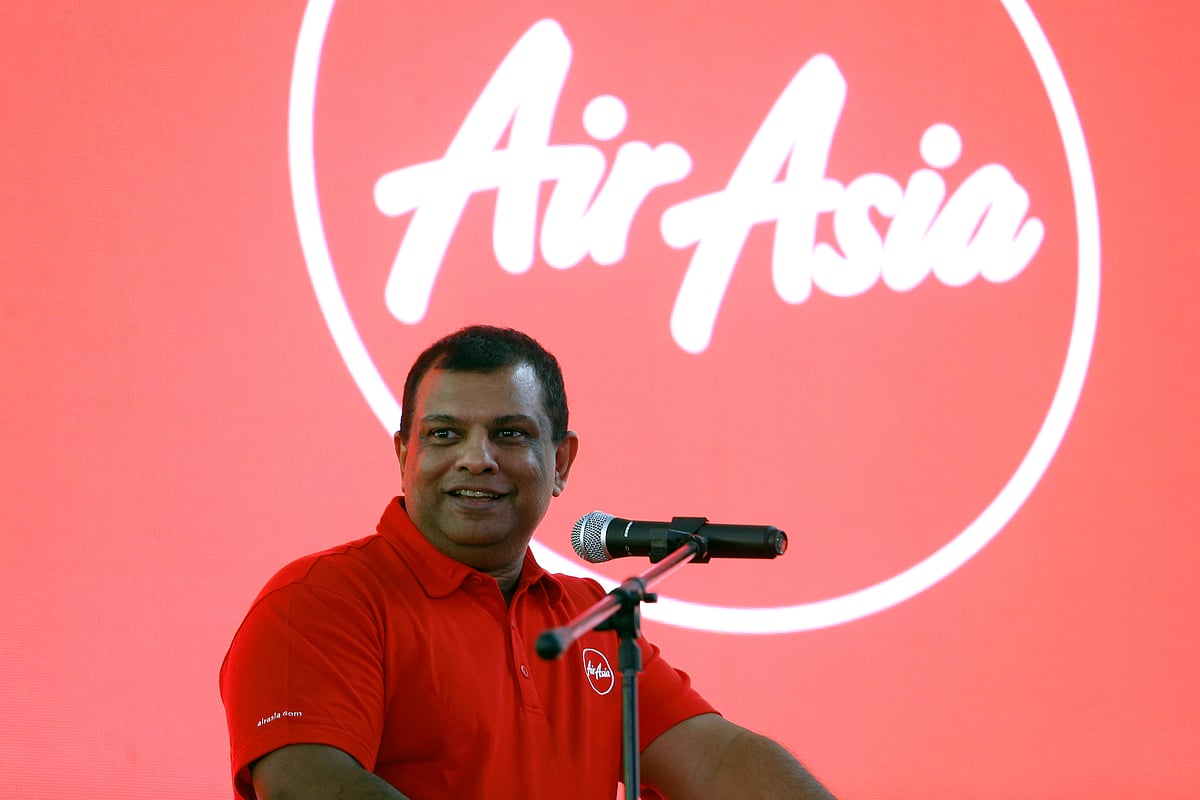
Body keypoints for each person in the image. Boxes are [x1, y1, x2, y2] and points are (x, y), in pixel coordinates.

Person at [219, 325, 837, 799]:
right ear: (403, 452)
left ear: (561, 461)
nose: (476, 459)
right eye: (443, 434)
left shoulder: (591, 616)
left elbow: (718, 760)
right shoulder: (321, 599)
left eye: (510, 433)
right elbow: (308, 785)